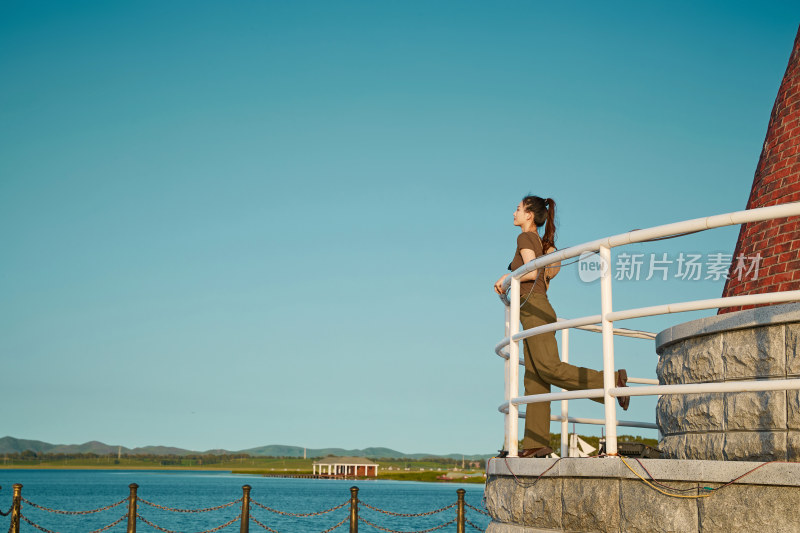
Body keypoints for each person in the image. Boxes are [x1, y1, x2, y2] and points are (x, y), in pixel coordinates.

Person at [493, 195, 628, 458]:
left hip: (535, 307)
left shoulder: (525, 238)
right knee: (535, 379)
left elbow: (531, 272)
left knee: (547, 368)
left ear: (529, 215)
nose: (514, 213)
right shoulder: (539, 241)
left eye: (518, 209)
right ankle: (535, 443)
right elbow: (546, 272)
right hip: (532, 307)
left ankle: (612, 381)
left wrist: (507, 277)